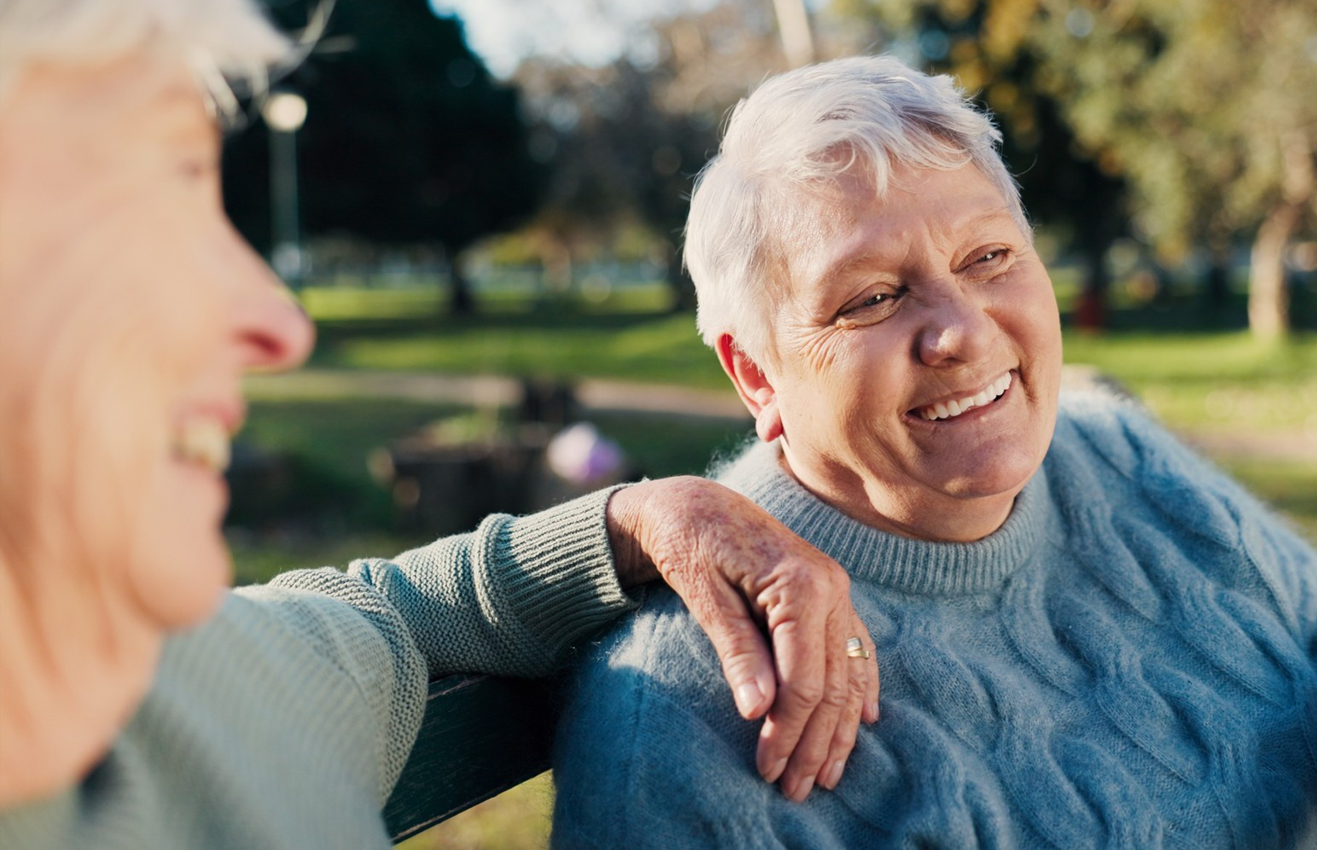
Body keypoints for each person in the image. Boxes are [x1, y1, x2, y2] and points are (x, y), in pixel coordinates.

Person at [0, 1, 881, 845]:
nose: (278, 323)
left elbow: (402, 613)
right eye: (130, 204)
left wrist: (645, 519)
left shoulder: (209, 675)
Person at [552, 54, 1317, 848]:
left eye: (987, 258)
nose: (964, 332)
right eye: (872, 298)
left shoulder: (1119, 454)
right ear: (756, 376)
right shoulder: (686, 719)